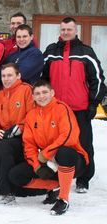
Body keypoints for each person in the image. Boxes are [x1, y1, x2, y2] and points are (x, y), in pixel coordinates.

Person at [42, 17, 106, 193]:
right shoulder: (51, 51)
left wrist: (93, 103)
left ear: (75, 31)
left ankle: (83, 179)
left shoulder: (86, 52)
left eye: (69, 29)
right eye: (63, 29)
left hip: (79, 110)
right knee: (56, 143)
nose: (66, 32)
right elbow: (43, 79)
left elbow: (98, 80)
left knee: (83, 144)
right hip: (56, 109)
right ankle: (57, 176)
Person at [8, 80, 89, 215]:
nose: (41, 96)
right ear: (33, 97)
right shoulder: (31, 115)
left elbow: (68, 136)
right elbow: (29, 144)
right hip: (49, 162)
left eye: (45, 92)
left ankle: (63, 199)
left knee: (64, 152)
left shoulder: (62, 108)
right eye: (37, 93)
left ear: (52, 93)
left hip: (72, 160)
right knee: (16, 175)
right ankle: (55, 186)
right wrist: (36, 165)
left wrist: (45, 154)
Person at [0, 63, 35, 203]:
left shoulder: (26, 90)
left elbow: (34, 113)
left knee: (4, 146)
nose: (6, 79)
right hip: (6, 136)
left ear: (18, 76)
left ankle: (7, 193)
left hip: (25, 138)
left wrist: (20, 127)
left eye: (9, 75)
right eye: (3, 76)